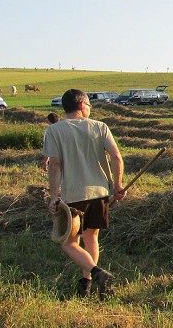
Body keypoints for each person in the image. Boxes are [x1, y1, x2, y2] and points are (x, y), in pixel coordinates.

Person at [42, 89, 126, 298]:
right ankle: (88, 282)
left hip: (73, 195)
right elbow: (116, 157)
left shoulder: (54, 130)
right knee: (91, 238)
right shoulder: (100, 127)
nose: (90, 109)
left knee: (68, 242)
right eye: (89, 105)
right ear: (81, 106)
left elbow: (55, 164)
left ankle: (94, 275)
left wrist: (54, 195)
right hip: (99, 193)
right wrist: (117, 185)